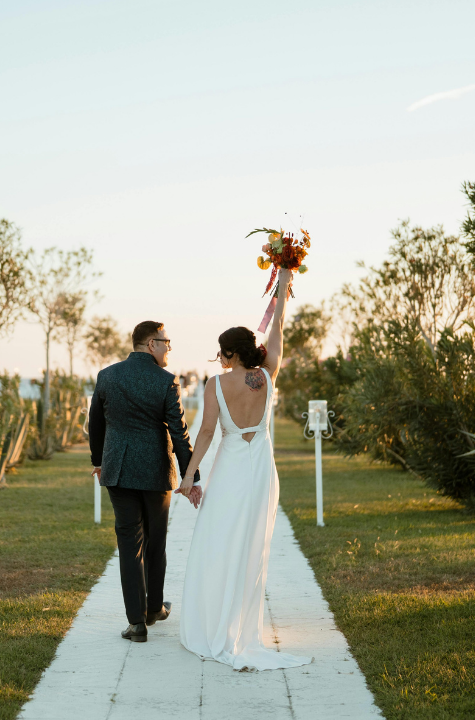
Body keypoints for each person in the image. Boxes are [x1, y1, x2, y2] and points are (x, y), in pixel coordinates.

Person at [176, 267, 312, 671]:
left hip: (232, 471)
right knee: (253, 548)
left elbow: (204, 434)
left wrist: (188, 478)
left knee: (217, 544)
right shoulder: (267, 375)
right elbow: (278, 329)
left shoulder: (217, 384)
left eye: (221, 352)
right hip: (261, 475)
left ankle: (216, 624)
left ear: (230, 354)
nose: (218, 358)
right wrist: (284, 286)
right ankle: (241, 627)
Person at [89, 320, 196, 642]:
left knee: (129, 545)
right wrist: (191, 474)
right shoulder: (166, 381)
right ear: (151, 344)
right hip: (155, 471)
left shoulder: (107, 376)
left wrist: (98, 460)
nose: (168, 348)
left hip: (118, 472)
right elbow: (179, 433)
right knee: (155, 542)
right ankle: (153, 609)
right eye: (166, 342)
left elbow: (95, 423)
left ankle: (136, 623)